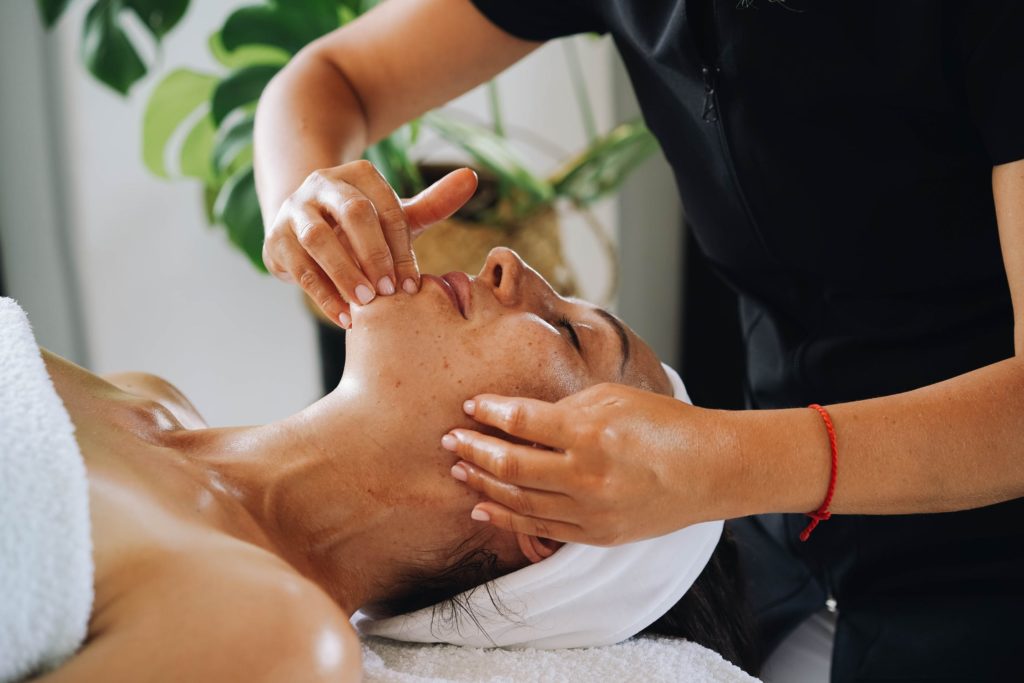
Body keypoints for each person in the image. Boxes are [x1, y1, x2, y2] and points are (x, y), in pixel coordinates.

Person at [253, 1, 1024, 679]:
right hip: (783, 524)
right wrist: (307, 203)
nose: (504, 263)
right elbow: (332, 78)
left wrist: (723, 461)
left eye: (568, 331)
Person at [17, 250, 755, 681]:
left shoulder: (272, 635)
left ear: (549, 507)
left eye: (569, 332)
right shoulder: (147, 398)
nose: (509, 262)